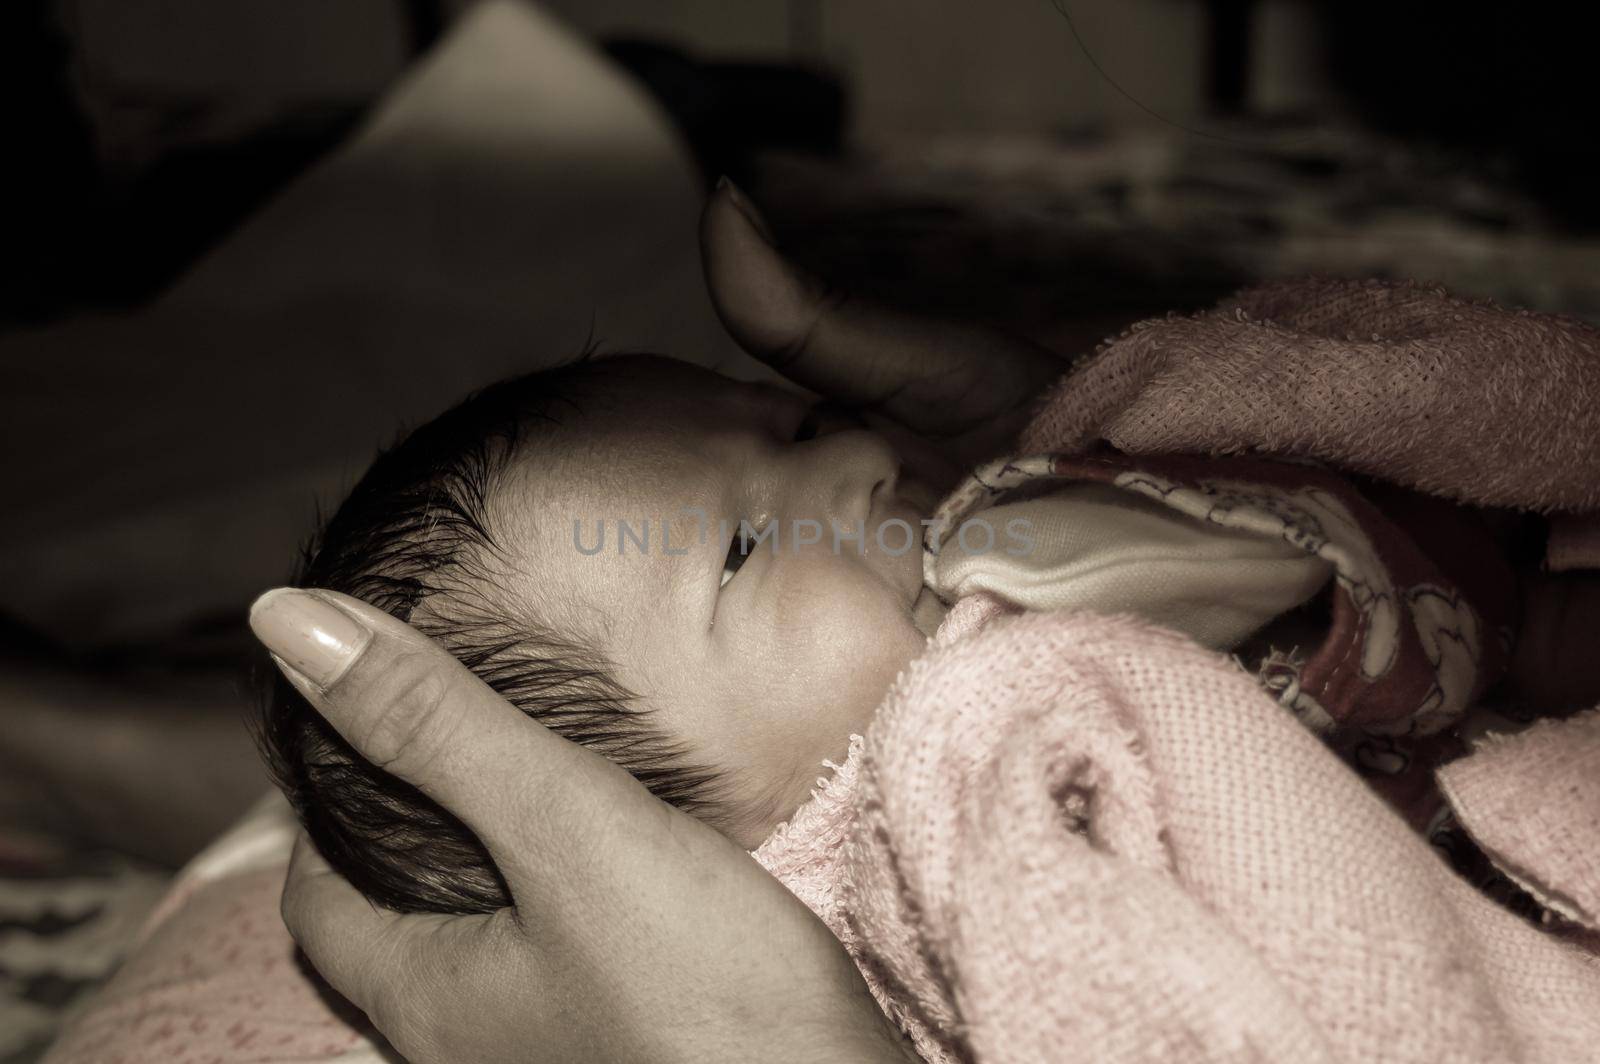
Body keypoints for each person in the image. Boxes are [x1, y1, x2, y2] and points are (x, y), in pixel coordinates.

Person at [255, 181, 1600, 1062]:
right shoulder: (951, 801)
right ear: (657, 855)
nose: (855, 468)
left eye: (800, 424)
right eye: (740, 549)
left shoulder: (1038, 570)